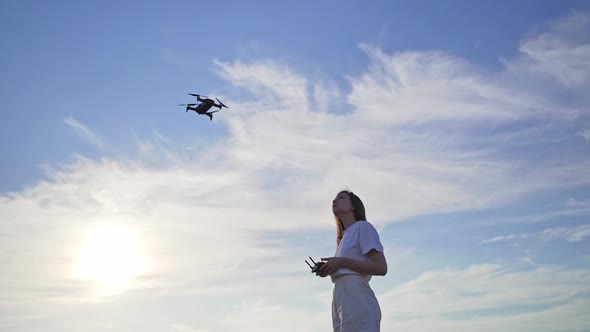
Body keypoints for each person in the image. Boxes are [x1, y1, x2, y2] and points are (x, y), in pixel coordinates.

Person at [319, 190, 387, 332]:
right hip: (339, 298)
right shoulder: (342, 238)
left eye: (341, 197)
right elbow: (346, 265)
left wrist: (342, 262)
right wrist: (329, 268)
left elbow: (381, 267)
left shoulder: (363, 227)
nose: (334, 201)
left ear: (353, 206)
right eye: (334, 198)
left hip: (356, 296)